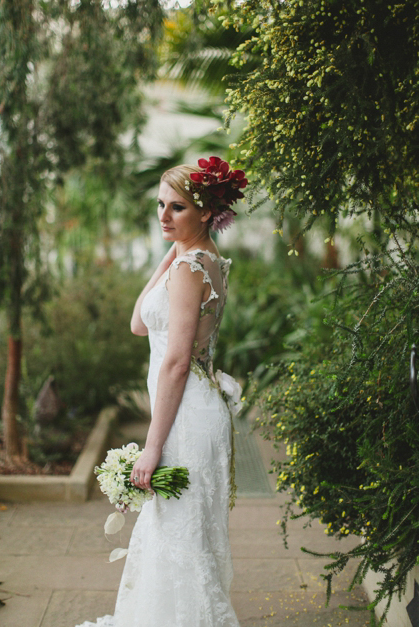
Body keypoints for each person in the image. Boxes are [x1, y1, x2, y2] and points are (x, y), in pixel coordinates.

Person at [79, 158, 247, 627]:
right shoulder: (200, 259)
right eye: (160, 204)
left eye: (177, 208)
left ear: (206, 213)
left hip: (185, 417)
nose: (163, 216)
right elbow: (138, 323)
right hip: (194, 408)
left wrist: (152, 447)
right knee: (181, 539)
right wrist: (172, 251)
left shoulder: (191, 268)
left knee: (181, 541)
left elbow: (174, 362)